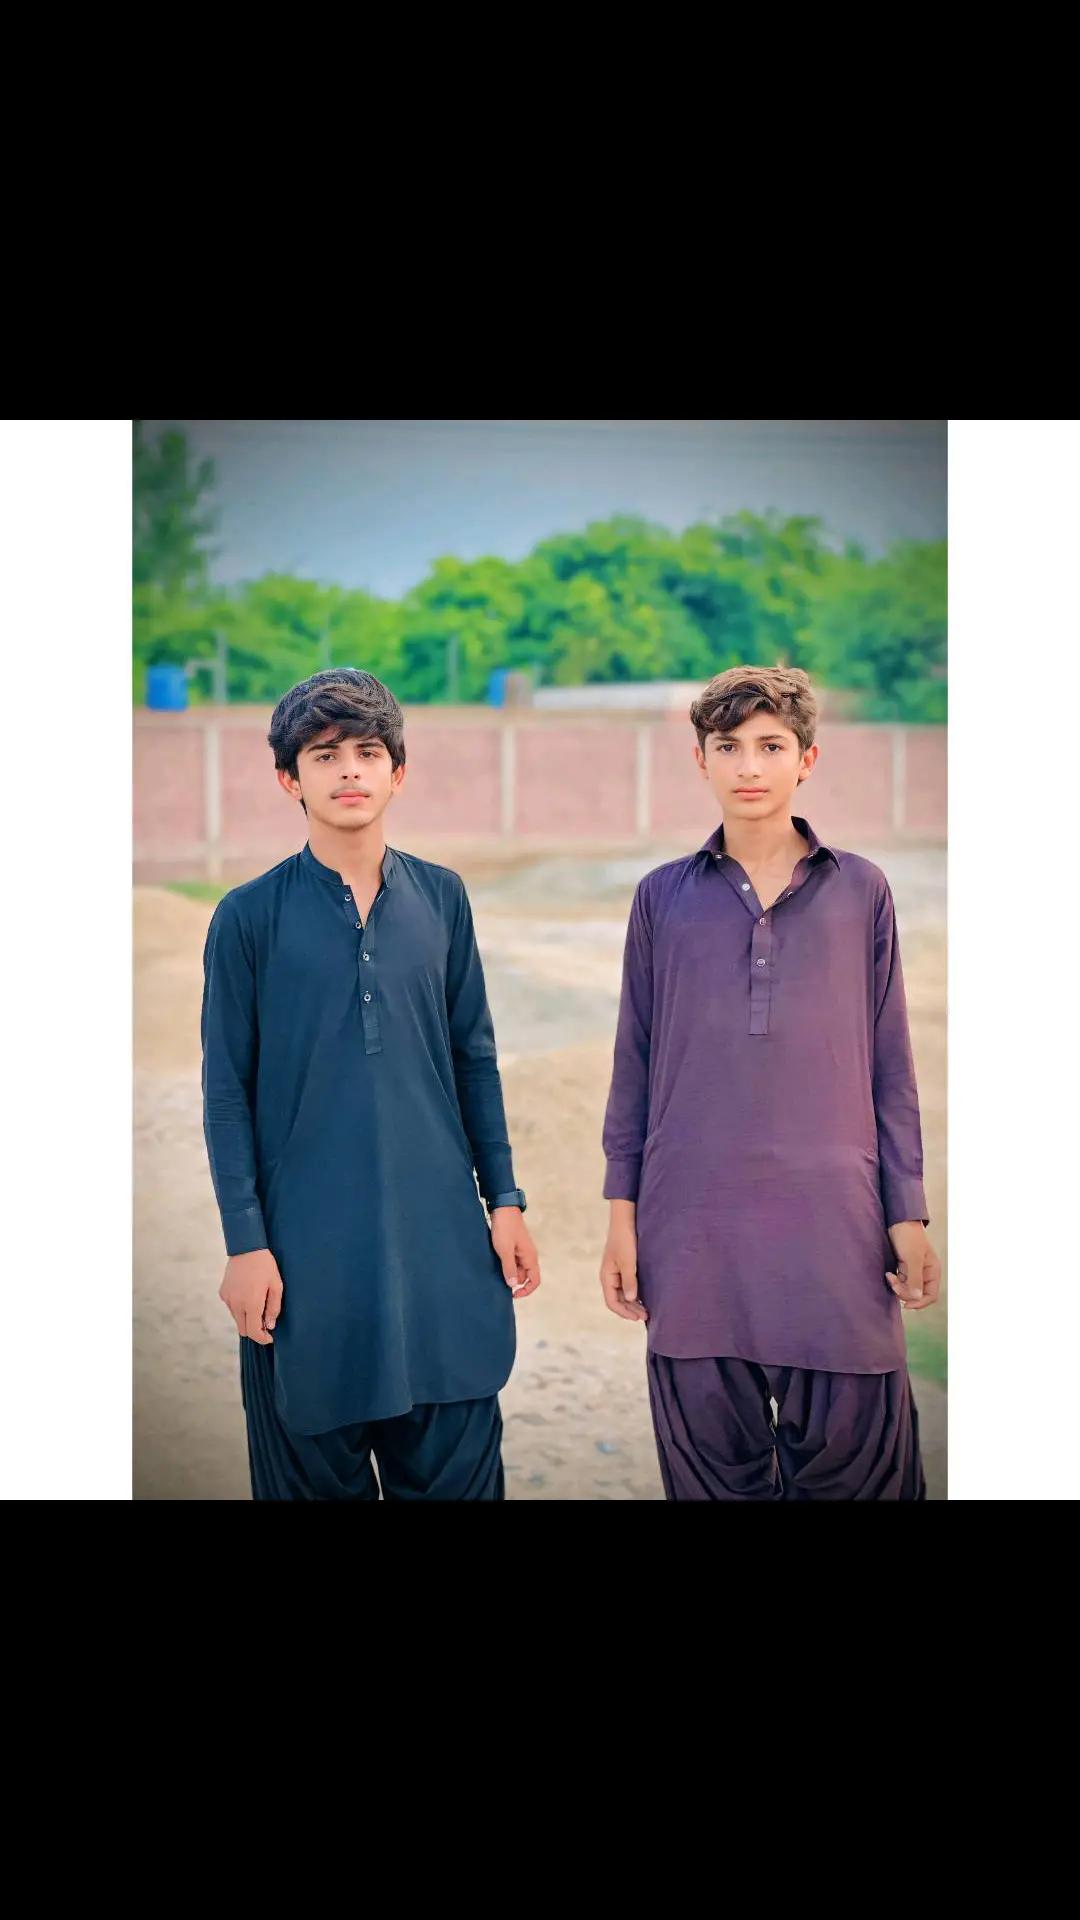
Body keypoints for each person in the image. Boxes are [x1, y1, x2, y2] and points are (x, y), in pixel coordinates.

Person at [599, 664, 940, 1500]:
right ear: (701, 760)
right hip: (693, 1236)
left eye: (770, 746)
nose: (749, 766)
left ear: (807, 760)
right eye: (728, 747)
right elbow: (633, 1065)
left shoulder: (861, 890)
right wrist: (621, 1222)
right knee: (714, 1481)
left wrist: (907, 1215)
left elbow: (890, 1068)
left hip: (838, 1235)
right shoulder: (662, 898)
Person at [200, 668, 539, 1500]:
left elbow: (474, 1058)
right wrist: (245, 1244)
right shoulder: (248, 917)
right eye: (324, 756)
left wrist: (504, 1201)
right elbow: (227, 1092)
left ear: (398, 772)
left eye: (367, 752)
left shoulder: (443, 898)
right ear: (290, 779)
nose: (349, 770)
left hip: (442, 1255)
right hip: (305, 1267)